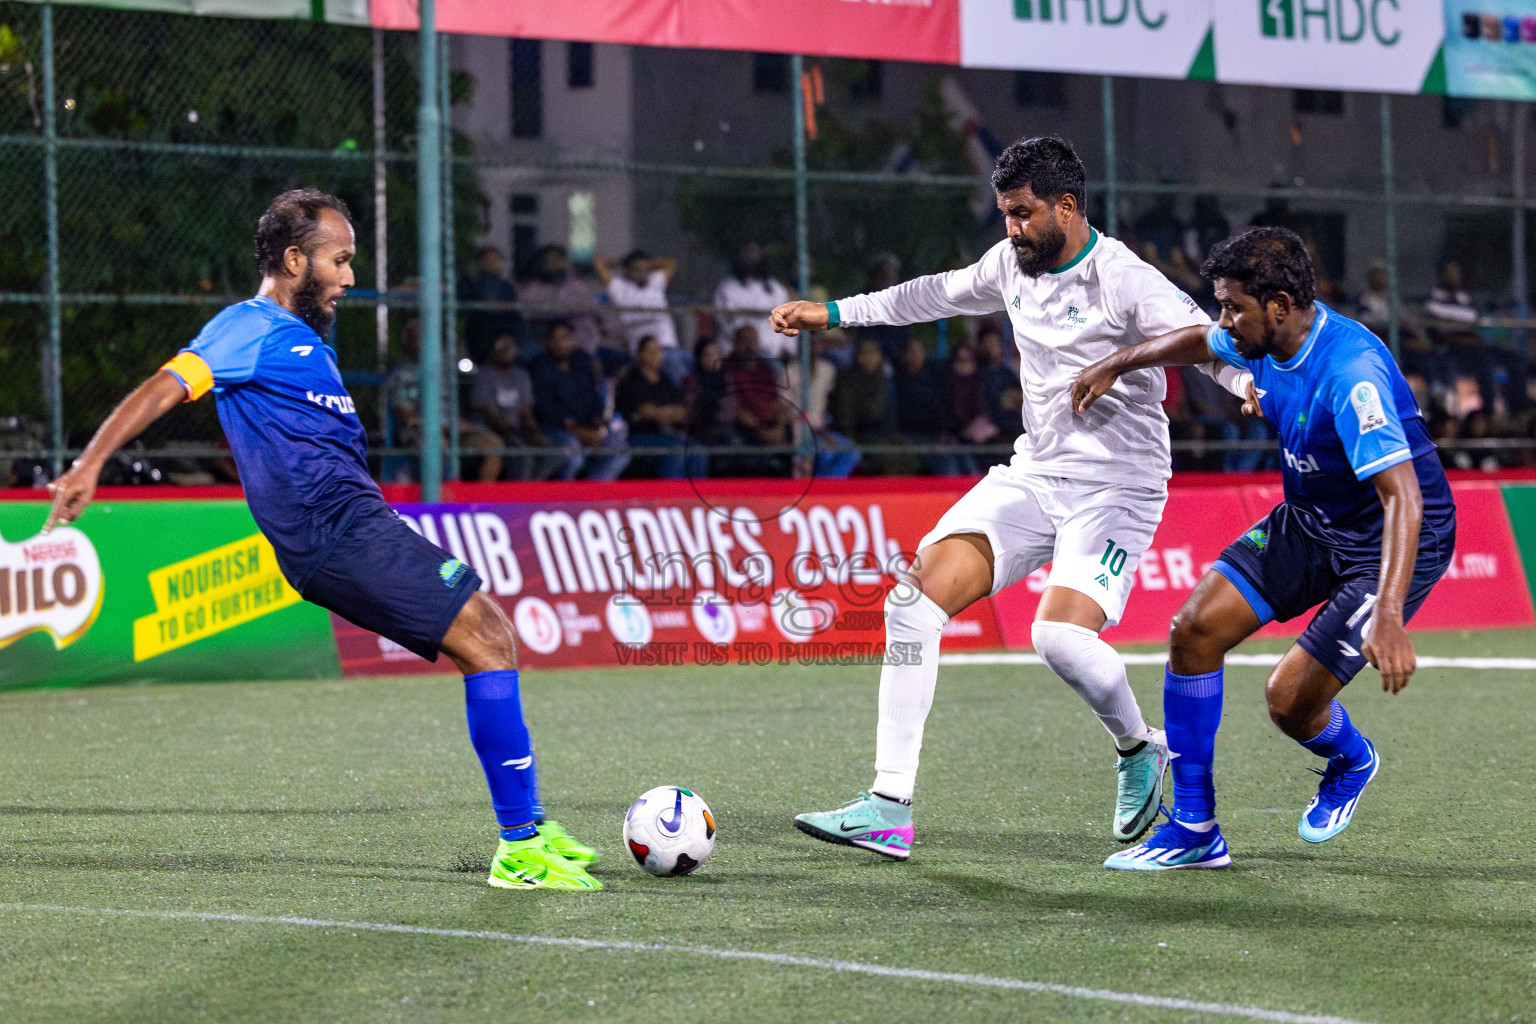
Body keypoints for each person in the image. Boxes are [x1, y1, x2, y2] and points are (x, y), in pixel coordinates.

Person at [41, 189, 602, 891]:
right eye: (339, 261)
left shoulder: (304, 342)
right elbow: (165, 385)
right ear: (294, 258)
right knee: (486, 637)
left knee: (488, 634)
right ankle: (521, 845)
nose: (348, 276)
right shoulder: (246, 328)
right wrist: (92, 461)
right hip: (333, 537)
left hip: (356, 526)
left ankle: (529, 828)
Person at [771, 136, 1253, 860]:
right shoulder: (1009, 264)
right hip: (1034, 475)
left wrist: (1247, 387)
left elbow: (1205, 340)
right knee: (912, 604)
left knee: (1057, 638)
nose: (1012, 230)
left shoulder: (1122, 277)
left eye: (1024, 214)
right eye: (1004, 214)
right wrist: (834, 314)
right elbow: (930, 294)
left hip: (1117, 488)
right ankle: (887, 807)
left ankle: (1137, 748)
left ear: (1066, 206)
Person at [1073, 227, 1457, 871]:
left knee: (1289, 704)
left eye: (1232, 307)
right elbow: (1200, 341)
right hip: (1311, 519)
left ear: (1279, 303)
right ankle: (1194, 829)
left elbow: (1405, 500)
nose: (1223, 320)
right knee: (1193, 630)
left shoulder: (1349, 372)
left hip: (1388, 542)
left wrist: (1387, 613)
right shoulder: (1261, 337)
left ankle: (1350, 758)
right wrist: (1120, 361)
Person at [384, 319, 507, 483]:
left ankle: (480, 498)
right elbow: (403, 412)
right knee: (438, 444)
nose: (423, 342)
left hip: (452, 426)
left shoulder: (445, 368)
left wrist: (457, 423)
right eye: (417, 338)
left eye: (427, 337)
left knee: (494, 444)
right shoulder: (401, 374)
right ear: (408, 343)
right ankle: (438, 496)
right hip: (419, 429)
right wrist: (432, 425)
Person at [528, 320, 630, 481]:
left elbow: (594, 397)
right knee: (574, 457)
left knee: (620, 450)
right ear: (547, 342)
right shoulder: (539, 366)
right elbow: (545, 408)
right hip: (554, 427)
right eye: (555, 339)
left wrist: (596, 426)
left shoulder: (583, 361)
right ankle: (562, 498)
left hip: (586, 424)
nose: (560, 343)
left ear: (572, 340)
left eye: (565, 337)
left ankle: (591, 495)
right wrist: (577, 430)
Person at [616, 334, 705, 480]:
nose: (656, 355)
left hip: (665, 432)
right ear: (641, 354)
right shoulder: (633, 379)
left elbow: (681, 411)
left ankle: (696, 497)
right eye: (651, 351)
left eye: (658, 351)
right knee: (676, 450)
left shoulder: (664, 378)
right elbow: (647, 411)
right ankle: (670, 497)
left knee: (697, 449)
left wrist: (664, 413)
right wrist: (665, 413)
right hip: (639, 435)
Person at [832, 337, 917, 477]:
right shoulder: (848, 380)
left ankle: (904, 496)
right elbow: (846, 417)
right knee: (888, 457)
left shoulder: (884, 378)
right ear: (858, 356)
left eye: (873, 352)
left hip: (885, 434)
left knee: (909, 451)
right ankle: (885, 495)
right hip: (860, 434)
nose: (869, 357)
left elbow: (890, 413)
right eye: (865, 352)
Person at [471, 332, 550, 481]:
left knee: (552, 452)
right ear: (492, 350)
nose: (506, 350)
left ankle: (533, 489)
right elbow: (488, 411)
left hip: (517, 430)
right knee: (522, 456)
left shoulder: (521, 375)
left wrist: (532, 430)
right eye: (501, 346)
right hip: (493, 430)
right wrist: (515, 431)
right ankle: (518, 495)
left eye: (510, 346)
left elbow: (526, 409)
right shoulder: (484, 375)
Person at [597, 250, 687, 381]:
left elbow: (671, 263)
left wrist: (647, 263)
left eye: (644, 268)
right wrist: (625, 262)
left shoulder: (655, 282)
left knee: (692, 360)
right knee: (674, 366)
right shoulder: (619, 288)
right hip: (643, 354)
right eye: (636, 269)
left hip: (668, 346)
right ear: (628, 270)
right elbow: (598, 263)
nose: (641, 272)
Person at [518, 244, 606, 355]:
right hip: (543, 344)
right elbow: (528, 310)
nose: (555, 263)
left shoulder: (577, 285)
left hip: (581, 343)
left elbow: (590, 309)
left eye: (559, 259)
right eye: (550, 260)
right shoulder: (531, 287)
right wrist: (561, 309)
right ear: (542, 263)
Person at [893, 336, 963, 476]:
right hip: (910, 435)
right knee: (946, 461)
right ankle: (950, 494)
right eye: (911, 352)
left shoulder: (933, 378)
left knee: (962, 453)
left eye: (919, 351)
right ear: (904, 355)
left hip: (935, 434)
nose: (916, 356)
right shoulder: (898, 381)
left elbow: (941, 408)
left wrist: (943, 432)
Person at [714, 241, 791, 358]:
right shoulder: (727, 288)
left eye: (755, 253)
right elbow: (725, 321)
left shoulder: (775, 289)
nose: (751, 258)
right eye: (747, 254)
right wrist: (747, 339)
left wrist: (787, 347)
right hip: (738, 354)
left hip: (772, 354)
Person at [460, 246, 528, 366]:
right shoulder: (471, 283)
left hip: (511, 334)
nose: (496, 262)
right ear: (480, 262)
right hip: (486, 336)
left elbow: (513, 314)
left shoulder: (506, 286)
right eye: (490, 259)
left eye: (498, 259)